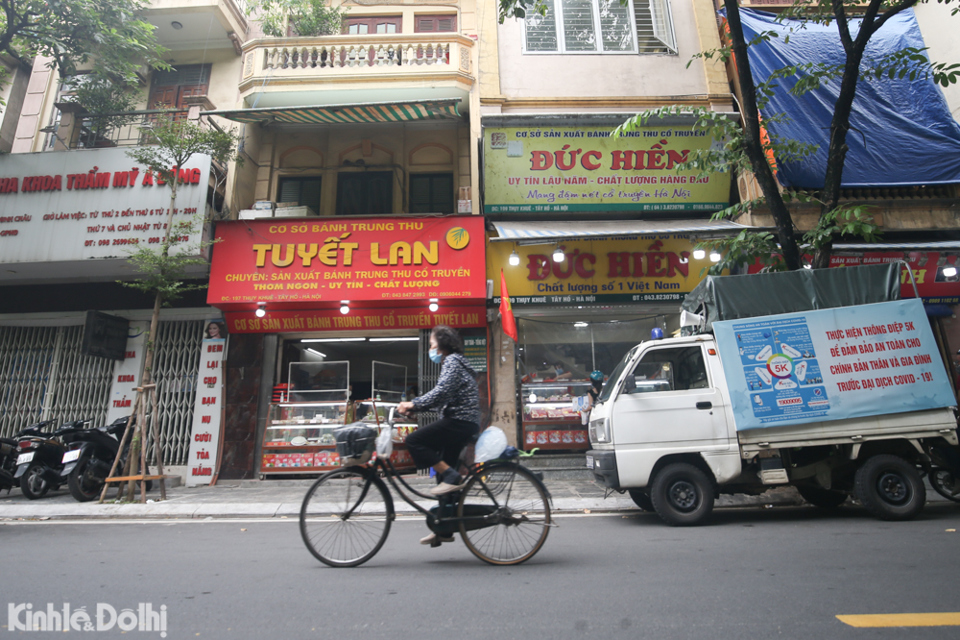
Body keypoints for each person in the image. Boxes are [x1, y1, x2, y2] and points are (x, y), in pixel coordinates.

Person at [396, 325, 480, 546]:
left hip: (459, 422)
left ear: (442, 346)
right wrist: (416, 410)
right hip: (463, 422)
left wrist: (412, 402)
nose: (430, 350)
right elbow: (444, 401)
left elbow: (441, 393)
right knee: (443, 476)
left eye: (432, 345)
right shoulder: (456, 363)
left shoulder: (452, 361)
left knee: (414, 440)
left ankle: (452, 478)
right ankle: (444, 528)